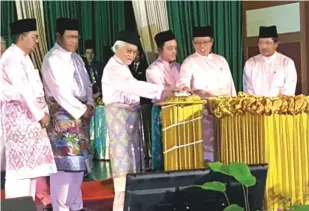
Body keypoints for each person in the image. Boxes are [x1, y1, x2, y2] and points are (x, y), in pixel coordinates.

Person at [101, 30, 177, 211]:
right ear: (117, 48)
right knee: (123, 170)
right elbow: (132, 86)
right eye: (128, 50)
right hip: (119, 121)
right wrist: (162, 90)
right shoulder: (113, 68)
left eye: (134, 52)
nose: (131, 55)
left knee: (133, 168)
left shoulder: (122, 67)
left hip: (129, 121)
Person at [0, 18, 57, 200]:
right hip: (19, 121)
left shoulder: (25, 58)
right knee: (20, 174)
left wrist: (44, 111)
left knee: (31, 173)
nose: (37, 41)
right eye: (34, 37)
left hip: (32, 122)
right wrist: (41, 115)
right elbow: (23, 92)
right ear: (22, 37)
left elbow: (37, 90)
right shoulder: (11, 58)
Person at [41, 17, 94, 211]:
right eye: (70, 37)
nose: (74, 41)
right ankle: (61, 207)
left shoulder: (77, 58)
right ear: (58, 36)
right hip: (63, 117)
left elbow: (87, 85)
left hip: (80, 116)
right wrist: (82, 110)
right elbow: (59, 92)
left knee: (79, 166)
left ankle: (76, 206)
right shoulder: (52, 59)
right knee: (64, 167)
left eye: (76, 37)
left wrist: (90, 103)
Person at [177, 26, 236, 162]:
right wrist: (185, 88)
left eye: (205, 42)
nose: (202, 46)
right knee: (206, 146)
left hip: (223, 108)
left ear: (211, 42)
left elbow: (230, 85)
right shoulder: (189, 61)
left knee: (224, 144)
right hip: (203, 110)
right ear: (193, 43)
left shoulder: (221, 60)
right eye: (198, 43)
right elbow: (183, 82)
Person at [146, 30, 181, 170]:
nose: (174, 52)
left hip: (180, 111)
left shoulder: (179, 67)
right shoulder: (152, 70)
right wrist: (175, 89)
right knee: (162, 147)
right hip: (162, 111)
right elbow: (160, 93)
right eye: (170, 48)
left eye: (175, 48)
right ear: (160, 49)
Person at [243, 25, 297, 96]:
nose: (264, 46)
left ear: (276, 44)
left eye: (268, 43)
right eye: (261, 43)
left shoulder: (287, 63)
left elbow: (289, 91)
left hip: (280, 106)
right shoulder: (250, 63)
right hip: (257, 105)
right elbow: (248, 90)